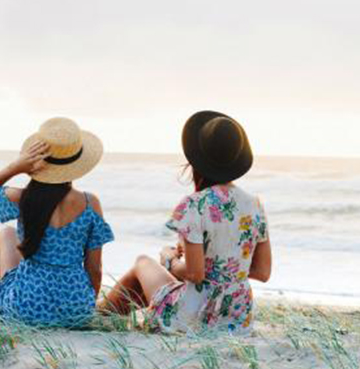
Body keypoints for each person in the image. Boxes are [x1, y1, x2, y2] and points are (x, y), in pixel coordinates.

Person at [99, 111, 272, 333]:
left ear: (196, 162)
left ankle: (99, 316)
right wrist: (222, 267)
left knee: (143, 262)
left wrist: (169, 259)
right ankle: (107, 315)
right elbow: (262, 272)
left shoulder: (195, 204)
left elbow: (195, 275)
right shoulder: (254, 205)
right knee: (164, 286)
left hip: (192, 316)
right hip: (237, 319)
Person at [0, 117, 114, 328]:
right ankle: (1, 306)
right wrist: (85, 307)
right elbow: (95, 268)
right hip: (75, 308)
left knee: (6, 234)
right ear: (76, 164)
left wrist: (16, 167)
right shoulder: (90, 203)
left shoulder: (22, 199)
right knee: (10, 235)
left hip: (25, 305)